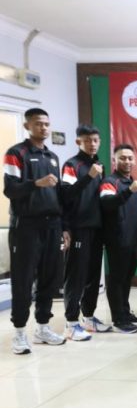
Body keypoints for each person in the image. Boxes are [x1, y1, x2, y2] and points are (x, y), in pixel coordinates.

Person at [3, 108, 66, 354]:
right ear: (28, 125)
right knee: (23, 280)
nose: (44, 128)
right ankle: (19, 332)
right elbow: (10, 189)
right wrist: (36, 183)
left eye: (47, 124)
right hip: (26, 226)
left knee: (50, 279)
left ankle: (42, 327)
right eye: (38, 123)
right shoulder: (16, 153)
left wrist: (64, 227)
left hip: (52, 225)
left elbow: (58, 194)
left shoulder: (52, 156)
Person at [60, 124, 111, 340]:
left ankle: (88, 318)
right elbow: (66, 195)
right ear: (78, 142)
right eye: (87, 140)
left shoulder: (98, 165)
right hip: (78, 228)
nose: (92, 144)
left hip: (96, 227)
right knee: (76, 276)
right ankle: (71, 323)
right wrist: (65, 228)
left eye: (95, 140)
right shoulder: (72, 165)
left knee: (92, 276)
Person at [99, 144, 137, 334]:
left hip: (133, 240)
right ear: (114, 160)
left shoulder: (134, 183)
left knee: (127, 279)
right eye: (122, 158)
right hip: (117, 240)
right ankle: (118, 319)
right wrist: (129, 191)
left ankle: (125, 313)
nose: (127, 161)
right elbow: (107, 203)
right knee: (117, 280)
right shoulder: (110, 182)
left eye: (129, 158)